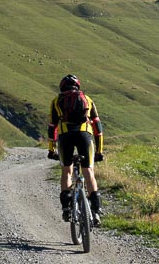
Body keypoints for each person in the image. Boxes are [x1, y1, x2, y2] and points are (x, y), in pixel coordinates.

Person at [47, 74, 104, 225]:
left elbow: (52, 127)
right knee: (89, 172)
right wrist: (99, 151)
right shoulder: (88, 99)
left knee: (67, 171)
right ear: (77, 86)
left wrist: (51, 149)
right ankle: (96, 211)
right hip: (85, 136)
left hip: (65, 136)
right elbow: (98, 127)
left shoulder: (56, 101)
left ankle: (66, 208)